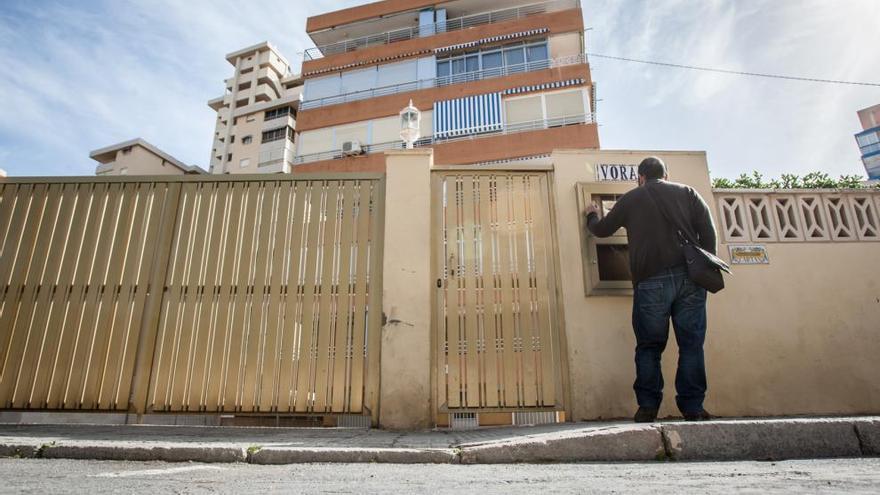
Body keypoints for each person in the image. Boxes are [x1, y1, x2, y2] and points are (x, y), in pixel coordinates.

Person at [585, 156, 718, 423]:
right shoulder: (688, 192)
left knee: (649, 346)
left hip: (651, 280)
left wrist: (591, 215)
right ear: (666, 175)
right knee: (691, 344)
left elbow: (602, 230)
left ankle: (647, 407)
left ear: (640, 177)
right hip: (690, 280)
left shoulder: (632, 198)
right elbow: (709, 232)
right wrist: (701, 269)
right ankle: (693, 407)